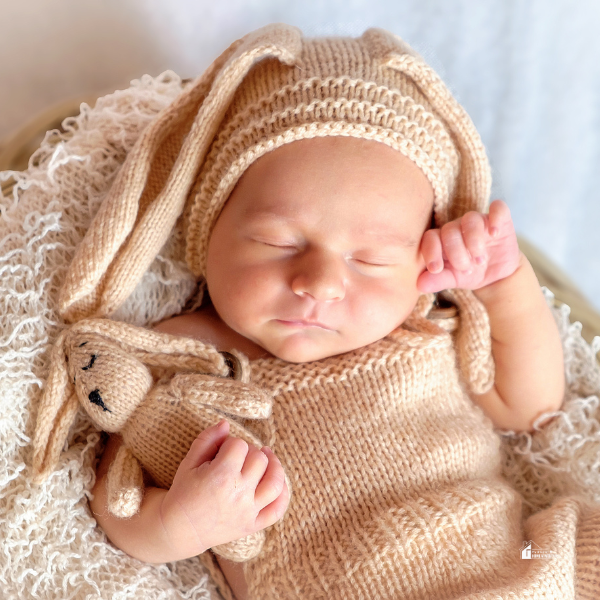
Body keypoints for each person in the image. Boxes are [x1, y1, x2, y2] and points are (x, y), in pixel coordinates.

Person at [74, 24, 599, 600]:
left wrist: (504, 285)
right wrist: (178, 525)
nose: (320, 284)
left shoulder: (424, 325)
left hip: (527, 559)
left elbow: (534, 407)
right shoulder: (183, 357)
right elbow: (116, 500)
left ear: (420, 260)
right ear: (207, 231)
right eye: (278, 243)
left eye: (371, 260)